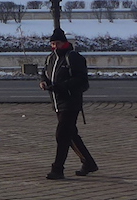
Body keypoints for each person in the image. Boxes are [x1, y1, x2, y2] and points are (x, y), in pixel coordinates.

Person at [39, 33, 97, 179]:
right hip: (57, 102)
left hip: (71, 101)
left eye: (57, 43)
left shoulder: (73, 57)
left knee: (61, 134)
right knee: (70, 135)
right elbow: (45, 73)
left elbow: (81, 79)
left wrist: (61, 87)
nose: (54, 47)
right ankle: (88, 163)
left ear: (64, 43)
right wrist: (44, 81)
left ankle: (57, 169)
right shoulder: (50, 58)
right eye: (52, 44)